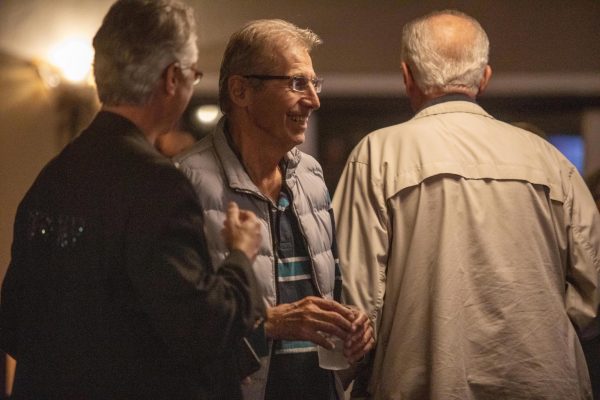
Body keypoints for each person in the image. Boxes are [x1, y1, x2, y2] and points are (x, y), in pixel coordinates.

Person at [0, 1, 265, 399]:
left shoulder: (51, 179)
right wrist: (241, 256)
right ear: (172, 78)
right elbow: (205, 330)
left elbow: (14, 327)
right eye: (194, 74)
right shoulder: (157, 185)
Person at [332, 9, 600, 400]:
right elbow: (593, 289)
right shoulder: (550, 161)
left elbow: (354, 304)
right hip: (547, 384)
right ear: (484, 77)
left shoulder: (377, 156)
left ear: (407, 76)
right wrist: (539, 333)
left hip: (423, 386)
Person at [175, 19, 374, 400]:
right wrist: (268, 322)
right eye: (297, 83)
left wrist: (353, 324)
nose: (314, 100)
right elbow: (175, 323)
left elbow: (329, 290)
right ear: (241, 90)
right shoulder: (184, 183)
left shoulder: (311, 176)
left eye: (315, 84)